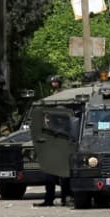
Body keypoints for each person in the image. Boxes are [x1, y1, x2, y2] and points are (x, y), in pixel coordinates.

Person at [36, 76, 72, 207]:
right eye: (52, 82)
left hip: (63, 140)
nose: (53, 84)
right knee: (49, 175)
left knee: (64, 175)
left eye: (55, 82)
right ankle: (49, 199)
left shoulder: (64, 95)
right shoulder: (52, 97)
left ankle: (66, 197)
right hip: (51, 141)